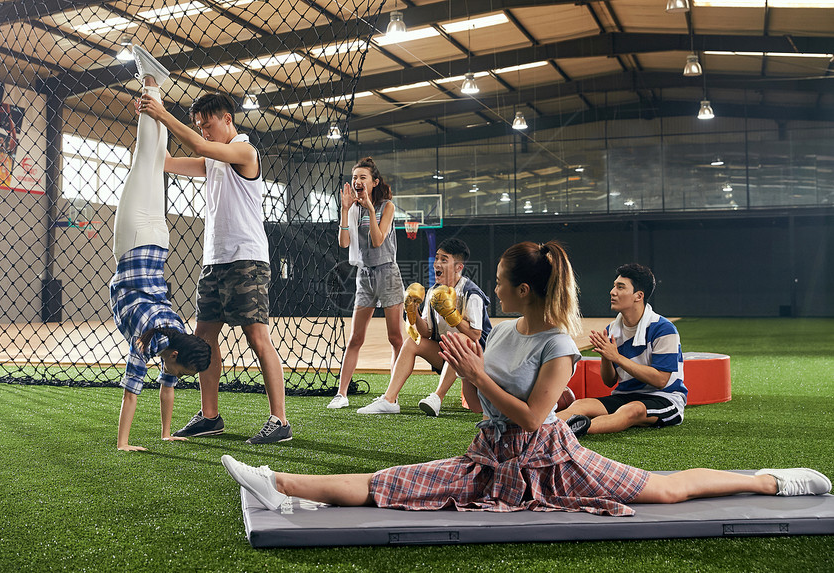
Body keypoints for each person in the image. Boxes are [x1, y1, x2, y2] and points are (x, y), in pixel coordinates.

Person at [221, 241, 831, 512]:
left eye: (502, 282)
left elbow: (535, 418)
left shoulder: (560, 343)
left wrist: (478, 378)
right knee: (394, 480)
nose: (495, 289)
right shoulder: (508, 330)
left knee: (665, 489)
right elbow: (475, 384)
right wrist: (441, 348)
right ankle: (279, 485)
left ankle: (772, 482)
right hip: (490, 455)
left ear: (520, 288)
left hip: (551, 459)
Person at [140, 84, 290, 444]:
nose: (204, 131)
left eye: (208, 124)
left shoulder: (244, 151)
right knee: (204, 338)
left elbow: (200, 146)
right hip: (214, 261)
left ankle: (279, 421)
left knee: (256, 336)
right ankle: (210, 416)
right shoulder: (212, 161)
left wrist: (163, 113)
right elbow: (167, 163)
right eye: (200, 125)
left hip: (246, 259)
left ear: (227, 120)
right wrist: (148, 130)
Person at [111, 45, 212, 452]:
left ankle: (153, 82)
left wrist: (167, 433)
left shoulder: (175, 336)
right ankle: (150, 82)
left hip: (157, 243)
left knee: (151, 162)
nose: (177, 375)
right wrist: (123, 444)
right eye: (181, 370)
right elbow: (131, 392)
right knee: (144, 162)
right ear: (173, 354)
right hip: (135, 241)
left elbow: (165, 385)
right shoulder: (149, 338)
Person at [354, 238, 492, 415]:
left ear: (459, 267)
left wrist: (453, 317)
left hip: (478, 359)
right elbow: (426, 332)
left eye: (444, 259)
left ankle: (437, 397)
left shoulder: (471, 293)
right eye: (437, 259)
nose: (437, 264)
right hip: (449, 356)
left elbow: (475, 335)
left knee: (459, 341)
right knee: (412, 343)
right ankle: (389, 399)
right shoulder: (434, 292)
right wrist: (414, 312)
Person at [557, 263, 687, 438]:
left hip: (665, 397)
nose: (612, 292)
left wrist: (616, 357)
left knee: (631, 411)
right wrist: (606, 356)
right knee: (581, 405)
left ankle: (571, 432)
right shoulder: (612, 329)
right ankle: (540, 429)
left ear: (638, 296)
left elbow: (661, 380)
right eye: (614, 286)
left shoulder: (664, 329)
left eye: (620, 287)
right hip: (626, 395)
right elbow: (609, 381)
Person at [325, 157, 405, 409]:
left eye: (363, 177)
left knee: (396, 338)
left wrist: (370, 208)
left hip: (388, 273)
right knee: (355, 338)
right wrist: (345, 210)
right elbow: (344, 243)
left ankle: (392, 395)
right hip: (365, 275)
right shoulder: (353, 209)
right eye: (355, 177)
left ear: (374, 182)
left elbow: (379, 240)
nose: (357, 181)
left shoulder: (387, 206)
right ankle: (341, 394)